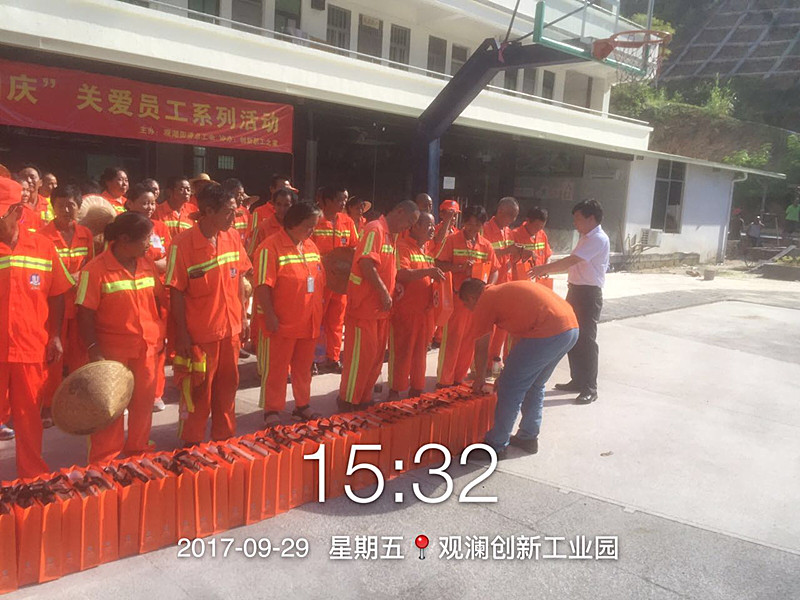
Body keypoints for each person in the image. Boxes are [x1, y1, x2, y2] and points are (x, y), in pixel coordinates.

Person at [166, 183, 251, 445]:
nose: (233, 218)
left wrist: (243, 317)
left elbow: (239, 279)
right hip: (200, 335)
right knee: (198, 390)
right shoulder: (182, 245)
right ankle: (191, 442)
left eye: (235, 212)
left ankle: (224, 438)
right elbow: (176, 292)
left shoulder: (232, 237)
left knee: (228, 387)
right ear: (209, 211)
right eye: (228, 212)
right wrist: (182, 335)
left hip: (231, 330)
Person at [76, 212, 164, 462]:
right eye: (146, 238)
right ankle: (104, 460)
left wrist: (160, 334)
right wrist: (94, 349)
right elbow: (84, 312)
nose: (150, 243)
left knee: (143, 404)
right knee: (110, 407)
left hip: (146, 348)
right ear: (125, 239)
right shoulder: (94, 270)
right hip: (112, 352)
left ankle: (138, 450)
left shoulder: (146, 264)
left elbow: (158, 300)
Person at [0, 179, 72, 476]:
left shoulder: (42, 247)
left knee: (29, 416)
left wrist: (54, 335)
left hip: (31, 347)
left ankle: (32, 476)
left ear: (17, 212)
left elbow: (57, 293)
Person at [461, 279, 578, 457]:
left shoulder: (485, 300)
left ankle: (496, 445)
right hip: (569, 329)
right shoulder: (503, 295)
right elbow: (519, 340)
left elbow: (481, 347)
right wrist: (507, 371)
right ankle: (528, 437)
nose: (468, 309)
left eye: (466, 304)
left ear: (471, 297)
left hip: (548, 331)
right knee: (535, 384)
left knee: (510, 388)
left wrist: (480, 379)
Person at [338, 200, 420, 410]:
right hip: (364, 308)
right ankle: (348, 400)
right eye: (409, 221)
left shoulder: (391, 236)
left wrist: (393, 286)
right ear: (399, 211)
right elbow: (366, 263)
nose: (408, 227)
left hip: (380, 310)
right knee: (361, 357)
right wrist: (384, 291)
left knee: (374, 358)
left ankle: (363, 398)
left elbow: (386, 268)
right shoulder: (375, 229)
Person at [531, 199, 610, 405]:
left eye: (578, 218)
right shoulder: (586, 237)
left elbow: (572, 261)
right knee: (572, 336)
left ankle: (590, 387)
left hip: (588, 295)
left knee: (587, 340)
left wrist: (543, 269)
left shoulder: (598, 238)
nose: (575, 223)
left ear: (591, 218)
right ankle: (577, 380)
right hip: (576, 291)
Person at [254, 202, 325, 426]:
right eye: (308, 226)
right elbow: (262, 285)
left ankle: (302, 405)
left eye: (314, 226)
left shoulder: (310, 246)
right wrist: (270, 316)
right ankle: (272, 409)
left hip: (309, 320)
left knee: (303, 368)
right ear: (293, 223)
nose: (312, 230)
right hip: (282, 322)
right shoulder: (269, 248)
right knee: (277, 368)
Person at [38, 184, 95, 426]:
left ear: (79, 207)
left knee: (79, 355)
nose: (66, 210)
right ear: (53, 207)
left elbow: (91, 265)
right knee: (54, 357)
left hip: (80, 304)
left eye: (71, 205)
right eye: (61, 205)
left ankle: (76, 403)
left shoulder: (86, 234)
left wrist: (81, 277)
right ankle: (48, 405)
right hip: (55, 305)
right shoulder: (42, 236)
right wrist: (68, 280)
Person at [434, 204, 497, 388]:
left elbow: (494, 269)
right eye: (470, 223)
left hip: (476, 303)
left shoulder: (486, 245)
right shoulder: (452, 240)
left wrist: (489, 287)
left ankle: (458, 378)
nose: (472, 228)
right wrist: (459, 268)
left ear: (482, 225)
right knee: (452, 340)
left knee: (470, 340)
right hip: (456, 299)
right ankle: (444, 381)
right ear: (464, 222)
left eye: (477, 224)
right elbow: (439, 263)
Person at [387, 212, 444, 402]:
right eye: (428, 225)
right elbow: (401, 273)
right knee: (403, 351)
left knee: (421, 352)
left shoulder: (425, 250)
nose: (432, 229)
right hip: (406, 311)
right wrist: (428, 271)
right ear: (415, 226)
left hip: (425, 312)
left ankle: (417, 388)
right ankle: (395, 389)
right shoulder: (403, 247)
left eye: (433, 225)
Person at [125, 183, 171, 412]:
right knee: (129, 348)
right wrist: (153, 264)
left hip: (157, 293)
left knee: (157, 346)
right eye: (144, 203)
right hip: (131, 294)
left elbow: (169, 258)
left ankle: (155, 392)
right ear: (130, 203)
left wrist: (150, 264)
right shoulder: (122, 228)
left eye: (152, 203)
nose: (149, 207)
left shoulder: (160, 227)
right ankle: (125, 395)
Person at [311, 186, 359, 374]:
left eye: (345, 199)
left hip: (340, 281)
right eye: (340, 199)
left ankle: (333, 358)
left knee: (336, 320)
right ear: (328, 201)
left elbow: (355, 246)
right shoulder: (315, 220)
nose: (344, 203)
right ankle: (312, 359)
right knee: (316, 320)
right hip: (319, 279)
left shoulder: (347, 221)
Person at [482, 197, 520, 365]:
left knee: (502, 327)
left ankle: (493, 362)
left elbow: (508, 257)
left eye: (515, 216)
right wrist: (506, 251)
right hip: (492, 284)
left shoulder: (508, 232)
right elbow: (484, 254)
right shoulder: (485, 229)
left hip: (506, 284)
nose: (513, 219)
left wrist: (517, 254)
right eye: (510, 215)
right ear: (500, 211)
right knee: (487, 327)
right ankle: (481, 364)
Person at [248, 187, 295, 256]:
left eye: (286, 205)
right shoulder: (261, 228)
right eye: (279, 204)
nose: (282, 209)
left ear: (292, 206)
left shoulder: (297, 228)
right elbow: (250, 255)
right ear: (273, 205)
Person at [511, 206, 552, 281]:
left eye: (541, 227)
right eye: (536, 226)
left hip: (539, 281)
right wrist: (523, 253)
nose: (538, 230)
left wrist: (545, 268)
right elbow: (509, 261)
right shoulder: (514, 235)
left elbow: (548, 255)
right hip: (521, 282)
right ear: (528, 221)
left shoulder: (542, 234)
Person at [222, 178, 251, 247]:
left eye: (242, 195)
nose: (242, 198)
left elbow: (249, 236)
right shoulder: (221, 214)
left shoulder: (246, 212)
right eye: (238, 194)